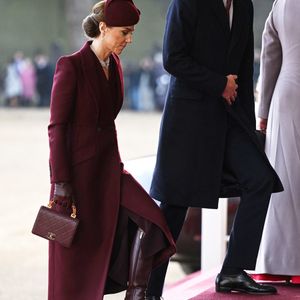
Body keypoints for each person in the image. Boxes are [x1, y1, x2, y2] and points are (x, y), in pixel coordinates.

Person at [144, 0, 283, 298]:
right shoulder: (187, 2)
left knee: (259, 178)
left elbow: (244, 70)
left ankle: (233, 270)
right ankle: (147, 289)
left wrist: (250, 123)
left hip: (230, 118)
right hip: (189, 118)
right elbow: (173, 58)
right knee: (174, 204)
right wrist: (218, 83)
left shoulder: (244, 6)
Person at [47, 1, 175, 299]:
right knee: (77, 256)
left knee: (152, 221)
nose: (130, 39)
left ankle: (137, 293)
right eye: (125, 32)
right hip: (76, 178)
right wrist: (61, 183)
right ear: (103, 28)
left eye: (132, 33)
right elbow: (57, 128)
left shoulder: (115, 64)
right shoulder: (70, 65)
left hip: (111, 170)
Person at [253, 0, 300, 284]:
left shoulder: (282, 3)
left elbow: (270, 53)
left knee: (284, 177)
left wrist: (263, 110)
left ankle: (277, 262)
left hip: (287, 95)